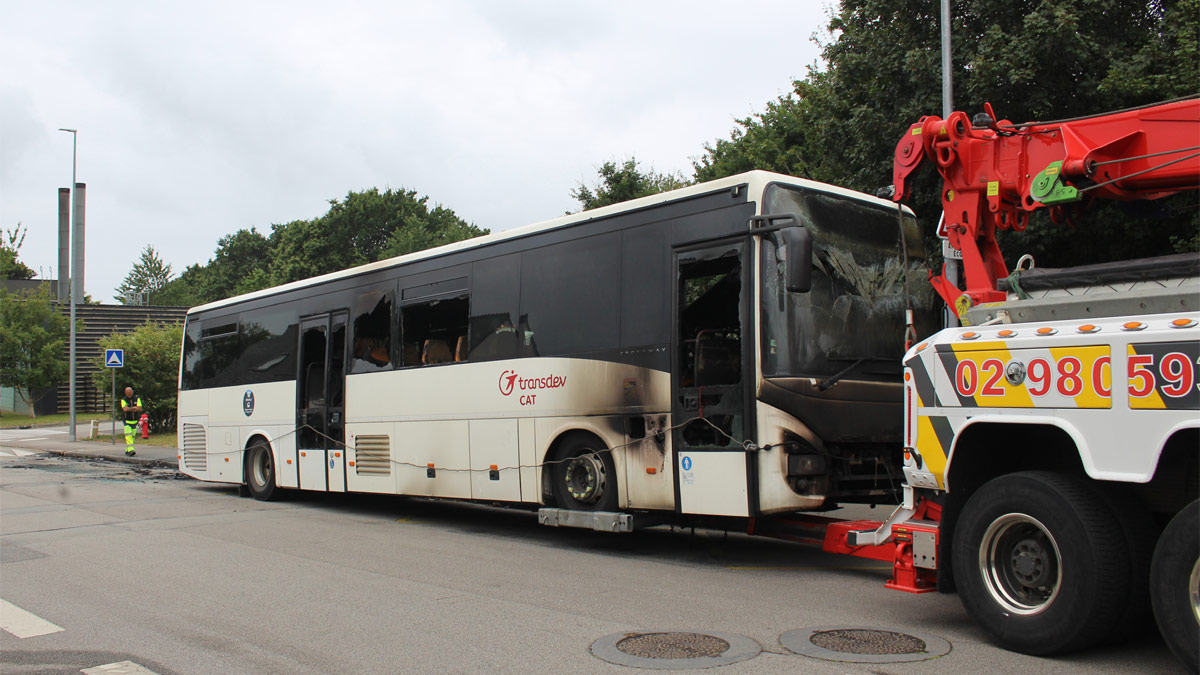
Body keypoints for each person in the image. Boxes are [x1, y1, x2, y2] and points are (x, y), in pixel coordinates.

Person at [120, 386, 143, 457]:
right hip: (127, 421)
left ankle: (127, 450)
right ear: (125, 392)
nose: (129, 393)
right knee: (128, 436)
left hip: (134, 421)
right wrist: (133, 408)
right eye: (127, 392)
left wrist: (130, 408)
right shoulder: (124, 400)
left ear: (132, 392)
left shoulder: (137, 399)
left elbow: (140, 408)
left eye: (130, 392)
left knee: (132, 436)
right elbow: (125, 409)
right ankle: (131, 450)